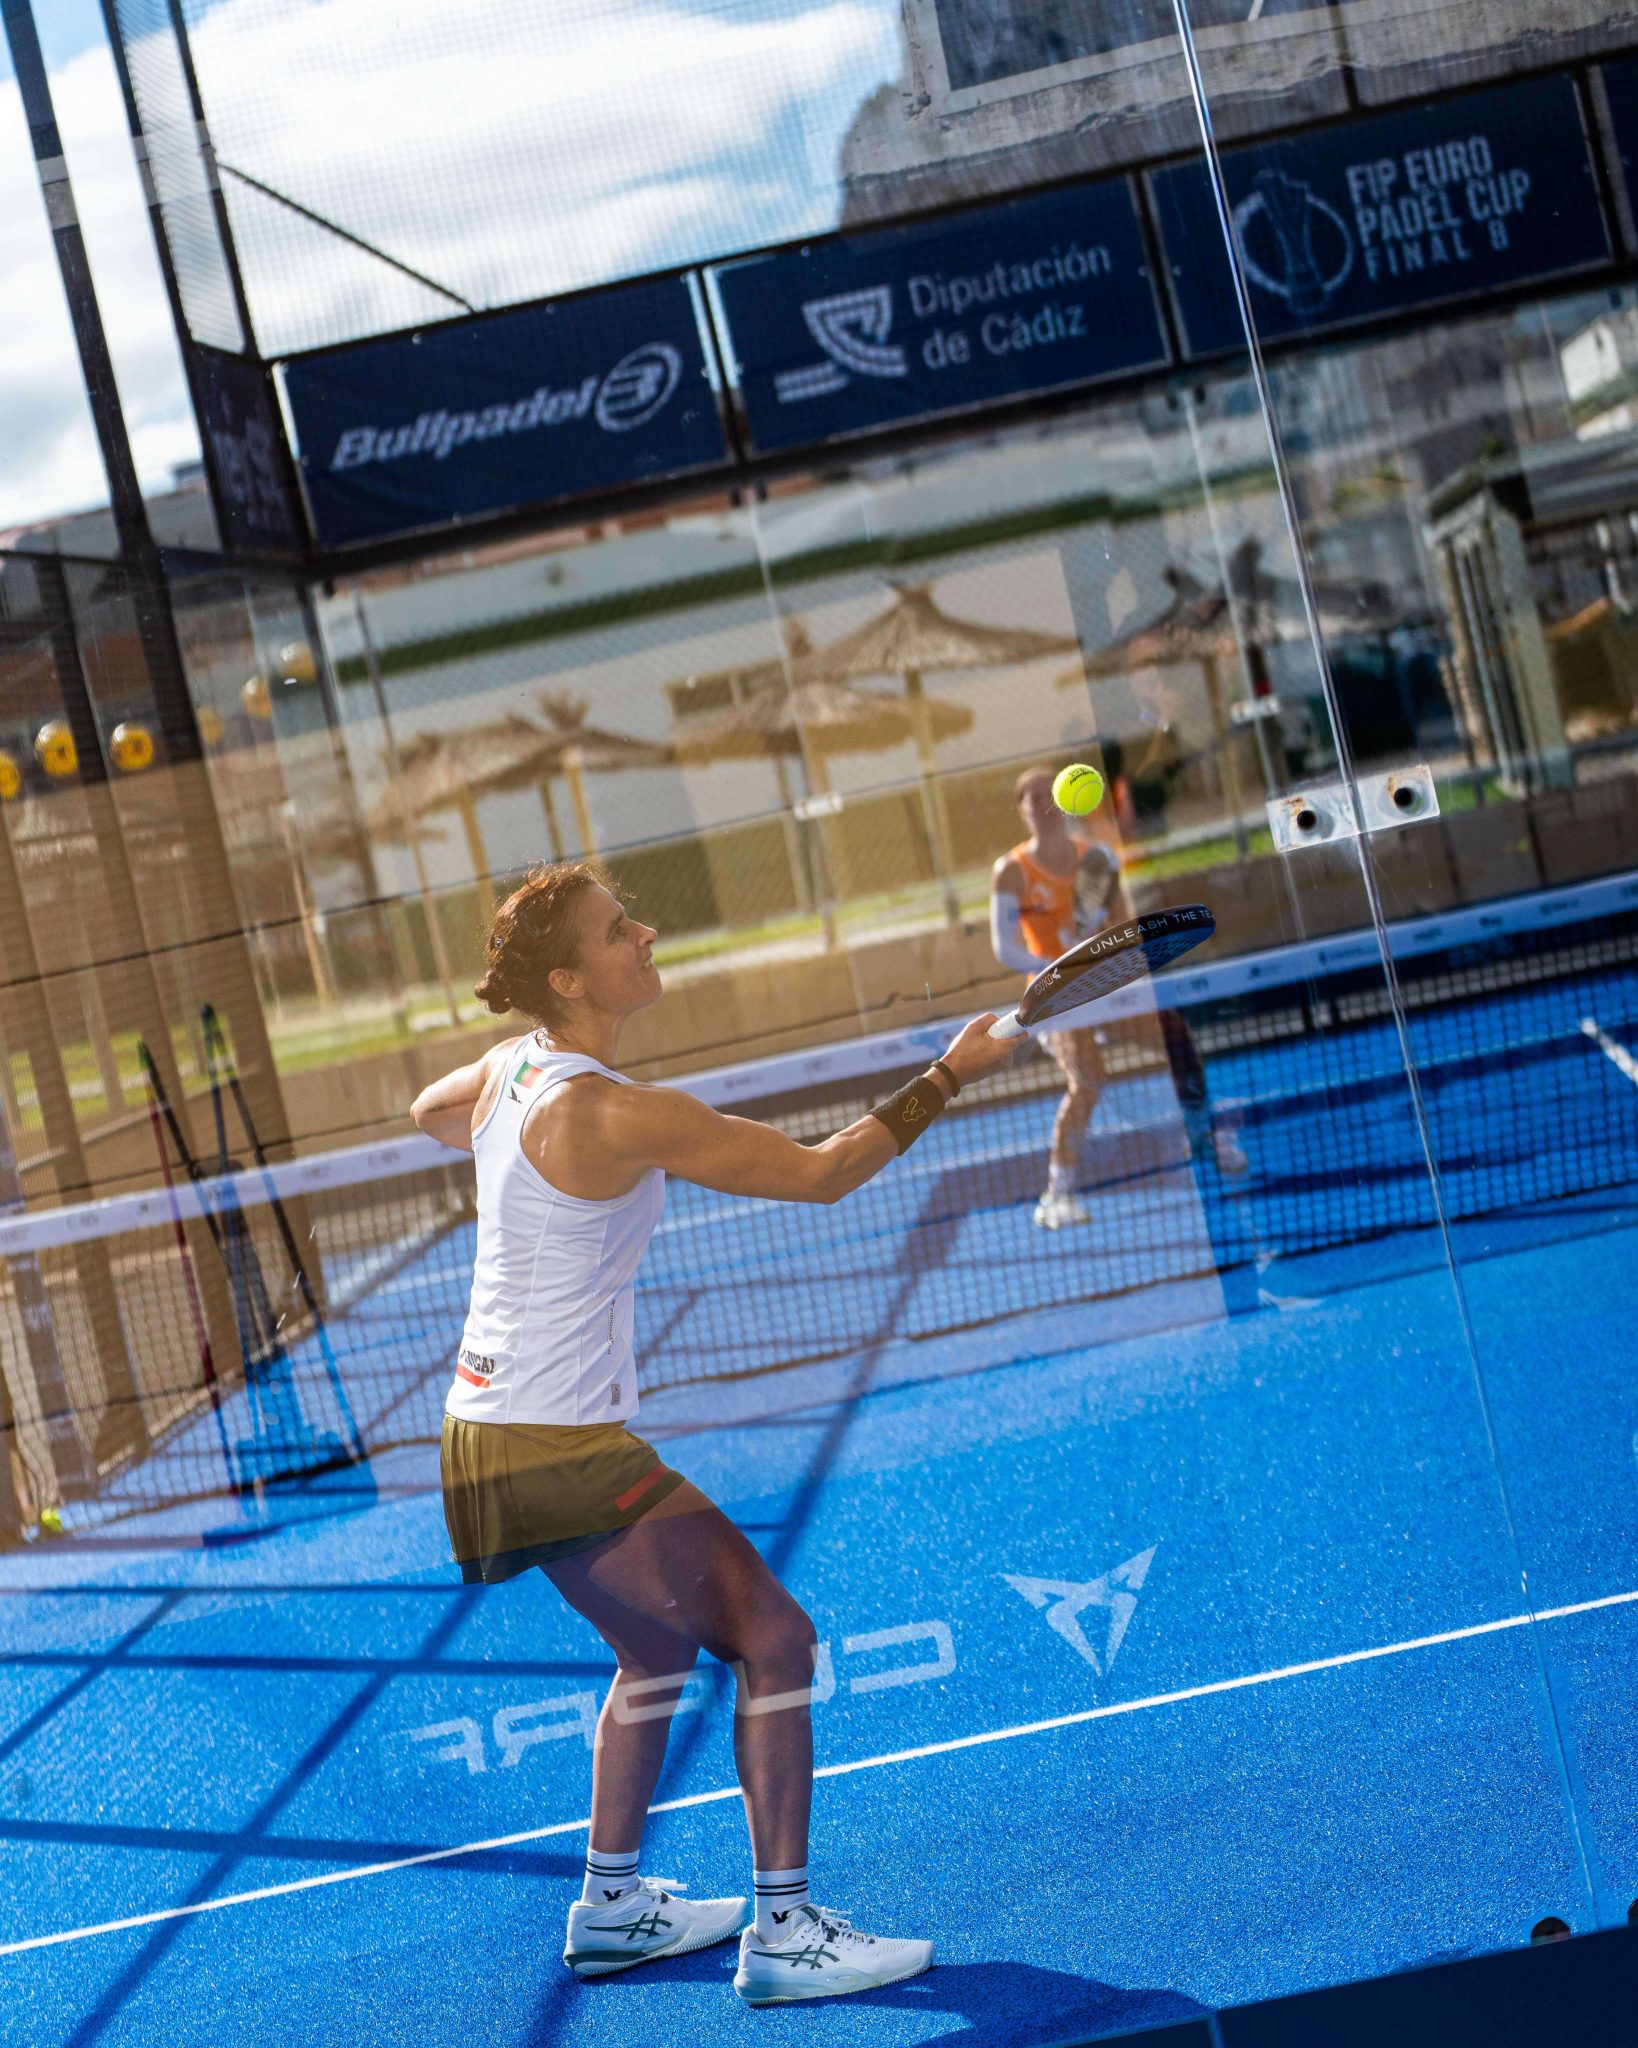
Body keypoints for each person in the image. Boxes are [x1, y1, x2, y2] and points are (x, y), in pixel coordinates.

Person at [410, 860, 1018, 2005]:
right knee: (775, 1639)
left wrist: (509, 1155)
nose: (643, 933)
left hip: (480, 1431)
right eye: (616, 929)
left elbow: (430, 1111)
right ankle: (785, 1930)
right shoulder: (618, 1111)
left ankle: (611, 1905)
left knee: (655, 1654)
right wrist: (950, 1071)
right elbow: (825, 1173)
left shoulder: (507, 1070)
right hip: (555, 1442)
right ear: (566, 978)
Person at [989, 764, 1246, 1230]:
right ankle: (1057, 1195)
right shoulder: (1011, 871)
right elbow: (1005, 948)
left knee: (1177, 1040)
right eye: (1033, 797)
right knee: (1088, 1082)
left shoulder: (1099, 859)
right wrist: (1054, 966)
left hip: (1104, 989)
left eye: (1049, 794)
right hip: (1053, 999)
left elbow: (1126, 930)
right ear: (1020, 809)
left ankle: (1204, 1138)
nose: (1044, 804)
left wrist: (1117, 967)